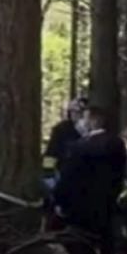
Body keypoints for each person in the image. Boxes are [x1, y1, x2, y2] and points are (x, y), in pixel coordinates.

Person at [55, 106, 127, 254]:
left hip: (82, 207)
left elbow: (68, 178)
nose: (81, 122)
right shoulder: (117, 143)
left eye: (84, 118)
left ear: (93, 121)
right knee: (108, 241)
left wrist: (60, 200)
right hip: (109, 203)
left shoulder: (80, 147)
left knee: (81, 243)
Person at [43, 96, 88, 224]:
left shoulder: (89, 131)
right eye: (74, 112)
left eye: (80, 113)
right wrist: (48, 175)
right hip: (63, 173)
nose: (77, 115)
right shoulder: (61, 130)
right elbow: (51, 153)